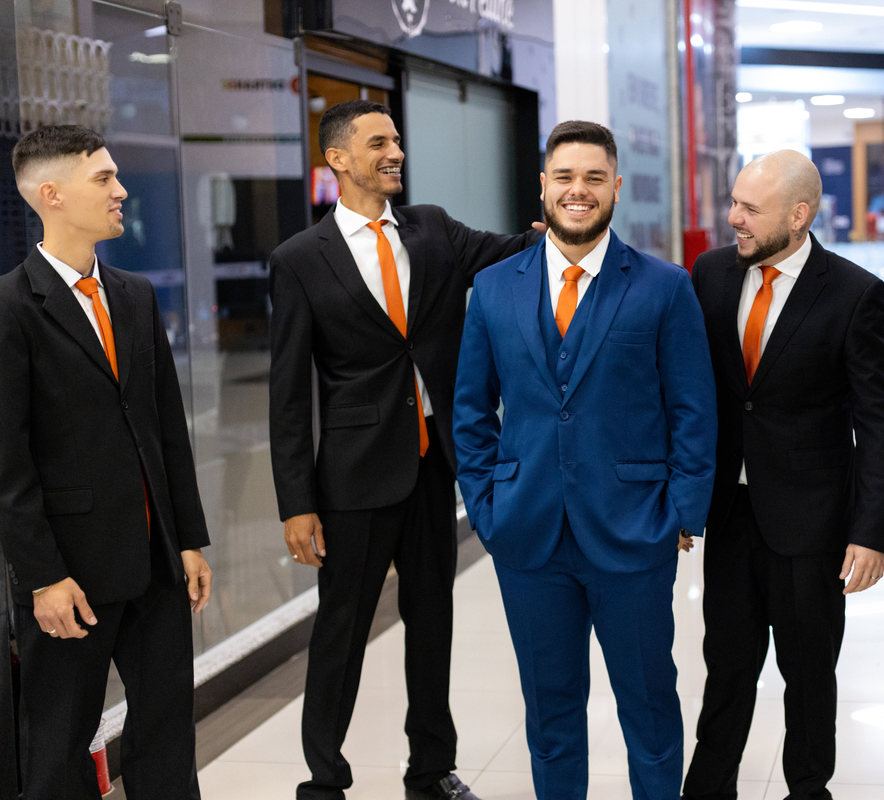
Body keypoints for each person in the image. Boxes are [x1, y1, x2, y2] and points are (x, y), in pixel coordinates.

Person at [268, 99, 542, 800]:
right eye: (377, 143)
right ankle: (324, 781)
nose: (394, 152)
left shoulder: (433, 229)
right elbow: (289, 395)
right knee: (342, 631)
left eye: (395, 140)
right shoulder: (299, 260)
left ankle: (431, 770)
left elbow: (515, 249)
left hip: (431, 466)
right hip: (353, 477)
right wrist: (296, 503)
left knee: (432, 622)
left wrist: (562, 218)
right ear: (337, 159)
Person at [453, 120, 717, 800]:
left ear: (616, 187)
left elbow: (694, 408)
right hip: (527, 535)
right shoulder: (492, 288)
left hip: (635, 531)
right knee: (550, 715)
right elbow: (471, 411)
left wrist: (682, 511)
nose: (579, 190)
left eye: (595, 177)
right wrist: (486, 507)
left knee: (649, 709)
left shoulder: (664, 286)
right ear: (543, 186)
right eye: (565, 177)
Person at [682, 150, 884, 800]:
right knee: (726, 667)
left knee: (807, 677)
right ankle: (708, 790)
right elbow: (691, 395)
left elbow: (880, 423)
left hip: (811, 525)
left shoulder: (855, 294)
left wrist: (871, 532)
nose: (734, 217)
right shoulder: (711, 274)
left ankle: (808, 791)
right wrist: (681, 498)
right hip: (729, 515)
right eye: (734, 202)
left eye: (750, 208)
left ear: (799, 215)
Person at [0, 124, 213, 799]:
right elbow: (8, 463)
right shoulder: (10, 307)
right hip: (71, 573)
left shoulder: (134, 294)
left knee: (167, 737)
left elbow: (165, 428)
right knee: (60, 747)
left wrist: (188, 540)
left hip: (156, 561)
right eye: (104, 179)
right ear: (52, 195)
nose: (121, 190)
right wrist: (42, 577)